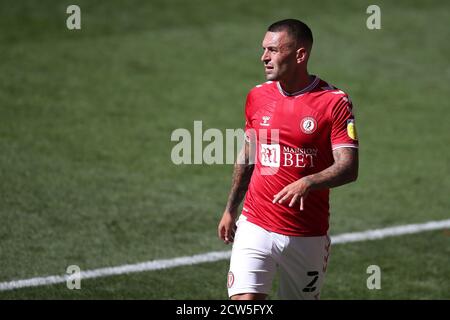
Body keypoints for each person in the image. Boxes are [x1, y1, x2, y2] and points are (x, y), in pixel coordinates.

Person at [217, 19, 359, 300]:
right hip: (255, 224)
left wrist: (308, 181)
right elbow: (248, 157)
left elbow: (348, 167)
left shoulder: (334, 102)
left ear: (300, 55)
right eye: (263, 49)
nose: (264, 57)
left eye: (272, 50)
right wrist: (231, 208)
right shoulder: (257, 96)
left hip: (306, 235)